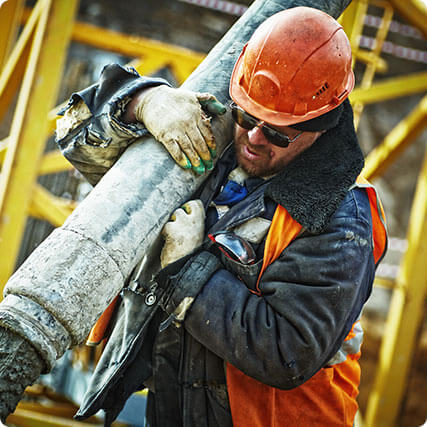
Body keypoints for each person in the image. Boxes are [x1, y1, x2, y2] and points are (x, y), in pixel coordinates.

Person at [0, 5, 387, 427]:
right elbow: (76, 135)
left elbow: (287, 350)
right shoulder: (221, 139)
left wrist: (187, 271)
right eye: (246, 116)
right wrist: (142, 103)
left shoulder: (342, 219)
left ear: (321, 127)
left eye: (277, 133)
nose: (253, 137)